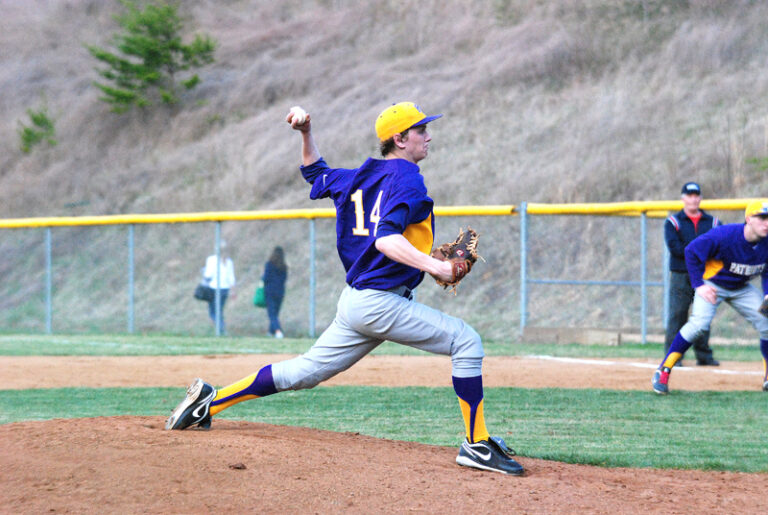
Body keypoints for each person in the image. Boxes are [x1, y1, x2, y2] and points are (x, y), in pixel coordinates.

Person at [165, 102, 525, 476]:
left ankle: (210, 401)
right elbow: (385, 240)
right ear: (399, 140)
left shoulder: (358, 176)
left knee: (304, 373)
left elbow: (314, 172)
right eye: (420, 130)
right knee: (466, 341)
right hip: (379, 304)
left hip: (357, 302)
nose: (428, 136)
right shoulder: (408, 179)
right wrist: (436, 266)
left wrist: (305, 133)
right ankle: (477, 443)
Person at [652, 200, 768, 395]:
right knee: (699, 325)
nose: (766, 223)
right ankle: (664, 369)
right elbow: (691, 251)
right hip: (714, 284)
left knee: (767, 324)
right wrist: (699, 285)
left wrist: (766, 293)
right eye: (762, 218)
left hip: (742, 288)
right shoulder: (725, 235)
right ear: (748, 219)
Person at [663, 182, 720, 366]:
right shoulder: (674, 222)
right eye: (689, 195)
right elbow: (675, 248)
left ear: (700, 198)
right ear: (683, 198)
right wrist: (701, 253)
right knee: (677, 315)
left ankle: (704, 356)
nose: (693, 199)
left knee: (703, 315)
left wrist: (697, 253)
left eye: (696, 195)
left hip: (705, 275)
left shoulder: (712, 222)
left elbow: (720, 245)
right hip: (681, 274)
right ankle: (674, 357)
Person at [203, 241, 236, 335]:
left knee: (212, 312)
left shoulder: (211, 260)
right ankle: (220, 328)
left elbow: (208, 274)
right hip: (225, 289)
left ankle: (221, 327)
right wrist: (233, 291)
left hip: (213, 288)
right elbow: (231, 278)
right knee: (219, 310)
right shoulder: (229, 261)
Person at [263, 246, 287, 338]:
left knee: (272, 314)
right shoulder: (284, 267)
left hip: (270, 292)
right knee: (275, 313)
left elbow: (266, 278)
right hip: (280, 292)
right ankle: (270, 332)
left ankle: (278, 331)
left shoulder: (269, 264)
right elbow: (284, 279)